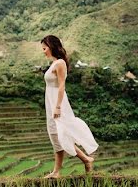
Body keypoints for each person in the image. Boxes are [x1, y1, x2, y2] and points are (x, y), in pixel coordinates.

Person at [40, 35, 97, 178]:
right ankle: (82, 161)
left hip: (57, 103)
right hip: (51, 102)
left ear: (51, 46)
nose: (43, 51)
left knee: (61, 134)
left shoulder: (60, 63)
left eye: (45, 48)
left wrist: (58, 107)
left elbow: (61, 87)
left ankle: (62, 169)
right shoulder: (53, 64)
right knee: (55, 135)